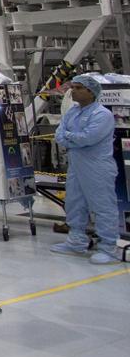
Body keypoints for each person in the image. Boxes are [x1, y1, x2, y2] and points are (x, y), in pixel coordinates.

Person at [49, 74, 121, 265]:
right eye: (72, 87)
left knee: (103, 206)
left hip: (97, 167)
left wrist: (70, 137)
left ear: (91, 91)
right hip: (76, 165)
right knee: (74, 203)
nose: (73, 91)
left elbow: (88, 138)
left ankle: (108, 247)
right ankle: (76, 241)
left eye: (78, 87)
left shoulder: (102, 115)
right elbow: (59, 135)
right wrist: (72, 138)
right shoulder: (72, 112)